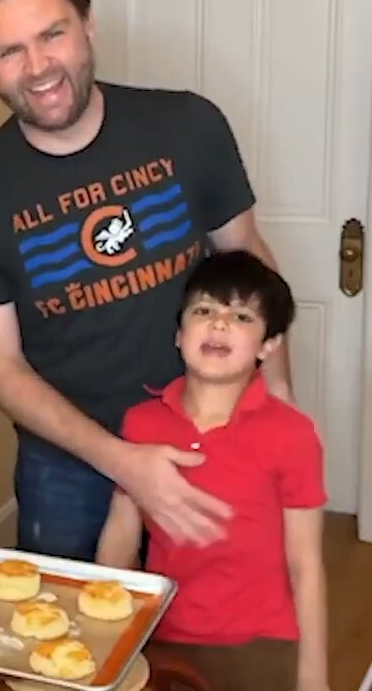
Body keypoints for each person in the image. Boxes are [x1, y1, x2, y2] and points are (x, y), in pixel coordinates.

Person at [0, 0, 293, 561]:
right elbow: (1, 366)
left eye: (53, 34)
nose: (38, 66)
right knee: (73, 640)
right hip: (68, 468)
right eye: (9, 50)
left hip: (207, 430)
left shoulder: (189, 127)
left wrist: (275, 410)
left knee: (201, 631)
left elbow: (250, 267)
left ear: (88, 23)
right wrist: (122, 460)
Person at [96, 250, 328, 691]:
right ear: (179, 335)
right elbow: (121, 534)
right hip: (161, 632)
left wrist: (313, 676)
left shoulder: (292, 434)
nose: (219, 323)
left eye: (242, 316)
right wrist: (104, 626)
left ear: (268, 345)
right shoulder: (141, 423)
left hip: (259, 642)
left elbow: (306, 563)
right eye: (204, 310)